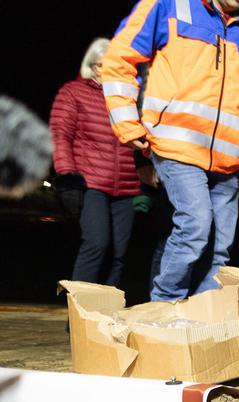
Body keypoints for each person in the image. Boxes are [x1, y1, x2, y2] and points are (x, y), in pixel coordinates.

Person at [101, 0, 239, 301]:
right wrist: (126, 121)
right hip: (176, 145)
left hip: (228, 161)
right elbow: (118, 59)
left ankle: (202, 317)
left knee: (220, 246)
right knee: (195, 225)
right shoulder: (168, 6)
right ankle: (165, 306)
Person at [50, 38, 140, 287]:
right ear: (92, 66)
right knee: (97, 244)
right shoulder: (73, 93)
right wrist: (68, 177)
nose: (108, 69)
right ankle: (80, 316)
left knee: (119, 255)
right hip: (90, 184)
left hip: (125, 186)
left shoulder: (128, 96)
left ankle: (104, 318)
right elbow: (60, 136)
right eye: (102, 65)